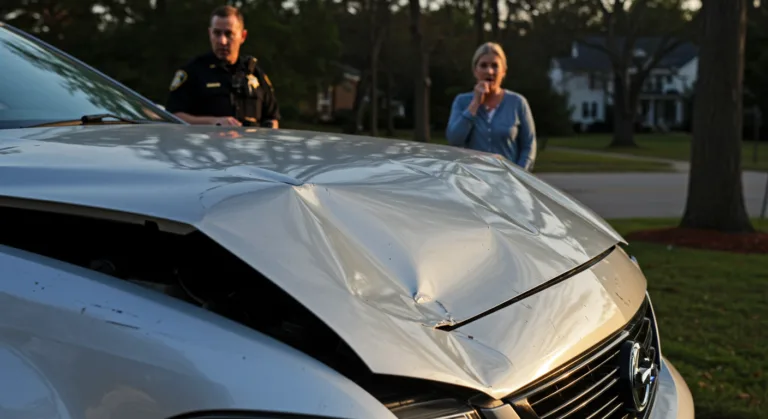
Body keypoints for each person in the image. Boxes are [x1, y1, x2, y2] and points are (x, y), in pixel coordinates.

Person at [165, 5, 280, 128]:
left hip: (250, 140)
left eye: (229, 34)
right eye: (217, 33)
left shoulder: (254, 73)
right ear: (210, 33)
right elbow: (172, 116)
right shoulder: (193, 71)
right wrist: (213, 122)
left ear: (243, 36)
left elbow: (272, 119)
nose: (222, 41)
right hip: (206, 140)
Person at [445, 42, 537, 171]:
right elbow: (454, 140)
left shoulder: (517, 103)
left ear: (503, 71)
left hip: (507, 179)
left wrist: (518, 174)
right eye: (483, 65)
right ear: (475, 70)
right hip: (473, 178)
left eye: (495, 66)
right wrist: (475, 103)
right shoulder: (462, 101)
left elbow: (529, 146)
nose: (489, 71)